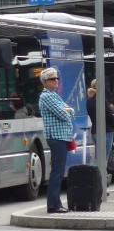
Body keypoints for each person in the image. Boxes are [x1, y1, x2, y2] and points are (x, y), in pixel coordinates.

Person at [38, 67, 74, 214]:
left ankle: (56, 203)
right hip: (57, 137)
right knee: (57, 172)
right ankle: (53, 205)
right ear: (45, 82)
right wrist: (68, 111)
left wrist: (69, 110)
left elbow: (70, 111)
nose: (57, 81)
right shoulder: (47, 96)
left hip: (61, 137)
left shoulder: (54, 95)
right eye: (53, 79)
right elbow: (64, 114)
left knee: (58, 171)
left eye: (57, 78)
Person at [85, 80, 114, 163]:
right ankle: (96, 176)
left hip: (95, 132)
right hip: (105, 132)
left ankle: (94, 175)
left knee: (98, 159)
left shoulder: (89, 100)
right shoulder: (100, 99)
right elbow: (109, 116)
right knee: (102, 161)